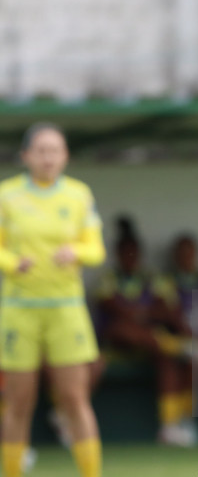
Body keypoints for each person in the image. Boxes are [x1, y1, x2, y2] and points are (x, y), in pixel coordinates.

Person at [0, 123, 105, 477]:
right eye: (41, 150)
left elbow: (96, 249)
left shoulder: (78, 195)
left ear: (65, 156)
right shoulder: (7, 195)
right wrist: (14, 263)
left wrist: (74, 251)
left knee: (75, 400)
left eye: (55, 150)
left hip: (65, 309)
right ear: (26, 156)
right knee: (17, 402)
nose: (48, 157)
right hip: (19, 310)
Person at [94, 217, 197, 446]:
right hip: (116, 347)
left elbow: (165, 310)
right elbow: (113, 309)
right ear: (117, 254)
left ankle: (170, 426)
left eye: (133, 252)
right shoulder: (108, 278)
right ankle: (172, 344)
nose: (129, 258)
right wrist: (144, 312)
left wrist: (138, 312)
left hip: (149, 347)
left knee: (168, 360)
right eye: (124, 252)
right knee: (123, 328)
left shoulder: (152, 278)